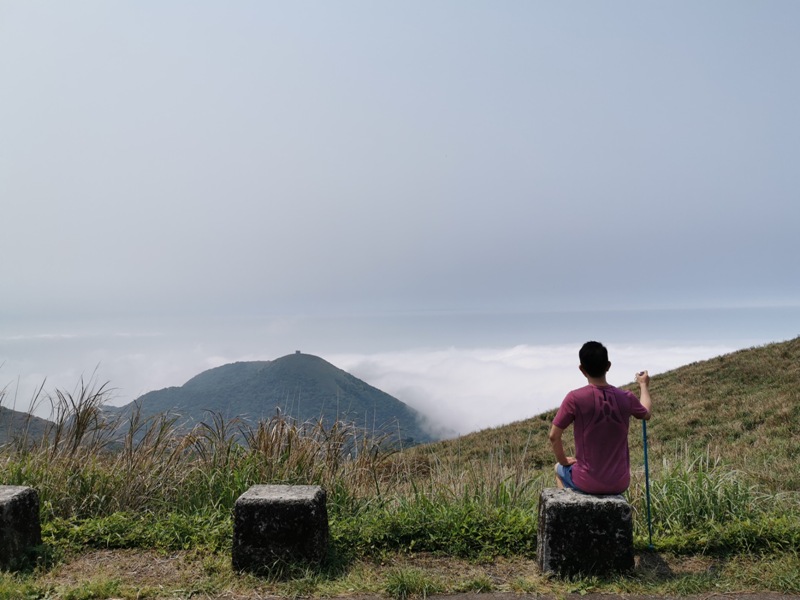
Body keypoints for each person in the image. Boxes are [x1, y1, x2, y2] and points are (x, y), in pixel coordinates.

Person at [548, 341, 652, 495]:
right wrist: (643, 385)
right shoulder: (626, 397)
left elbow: (553, 436)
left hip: (586, 481)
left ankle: (572, 509)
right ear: (608, 366)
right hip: (620, 482)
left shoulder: (574, 398)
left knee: (558, 469)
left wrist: (563, 461)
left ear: (582, 369)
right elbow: (646, 413)